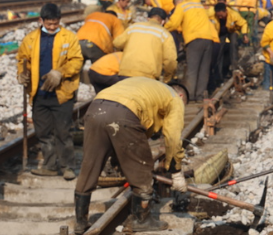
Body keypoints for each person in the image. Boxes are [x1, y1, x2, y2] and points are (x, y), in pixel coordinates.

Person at [73, 78, 189, 234]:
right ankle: (141, 220)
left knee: (89, 165)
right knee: (142, 166)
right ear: (181, 97)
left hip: (95, 108)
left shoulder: (147, 85)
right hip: (124, 114)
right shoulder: (175, 99)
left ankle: (80, 222)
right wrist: (176, 171)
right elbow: (173, 138)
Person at [16, 3, 83, 180]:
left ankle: (68, 166)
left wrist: (60, 72)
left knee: (63, 132)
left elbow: (77, 61)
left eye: (55, 23)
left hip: (62, 94)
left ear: (59, 21)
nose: (52, 27)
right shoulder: (30, 39)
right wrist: (22, 74)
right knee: (43, 133)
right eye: (49, 23)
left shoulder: (69, 38)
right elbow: (22, 59)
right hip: (39, 94)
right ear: (41, 20)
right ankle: (50, 165)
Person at [165, 0, 218, 103]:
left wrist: (163, 27)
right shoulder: (198, 5)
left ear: (177, 2)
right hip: (208, 39)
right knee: (204, 70)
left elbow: (174, 23)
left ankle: (190, 95)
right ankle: (200, 96)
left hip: (194, 39)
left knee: (192, 70)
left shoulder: (182, 6)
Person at [114, 8, 177, 82]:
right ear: (163, 22)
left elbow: (117, 43)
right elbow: (170, 60)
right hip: (148, 77)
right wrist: (167, 78)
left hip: (125, 73)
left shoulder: (134, 27)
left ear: (148, 18)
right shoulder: (164, 34)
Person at [210, 2, 249, 75]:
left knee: (233, 44)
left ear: (226, 11)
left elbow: (244, 23)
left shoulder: (234, 15)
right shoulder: (212, 16)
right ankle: (218, 72)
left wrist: (244, 35)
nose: (220, 17)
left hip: (232, 31)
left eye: (221, 15)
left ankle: (234, 68)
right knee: (219, 49)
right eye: (218, 16)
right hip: (220, 33)